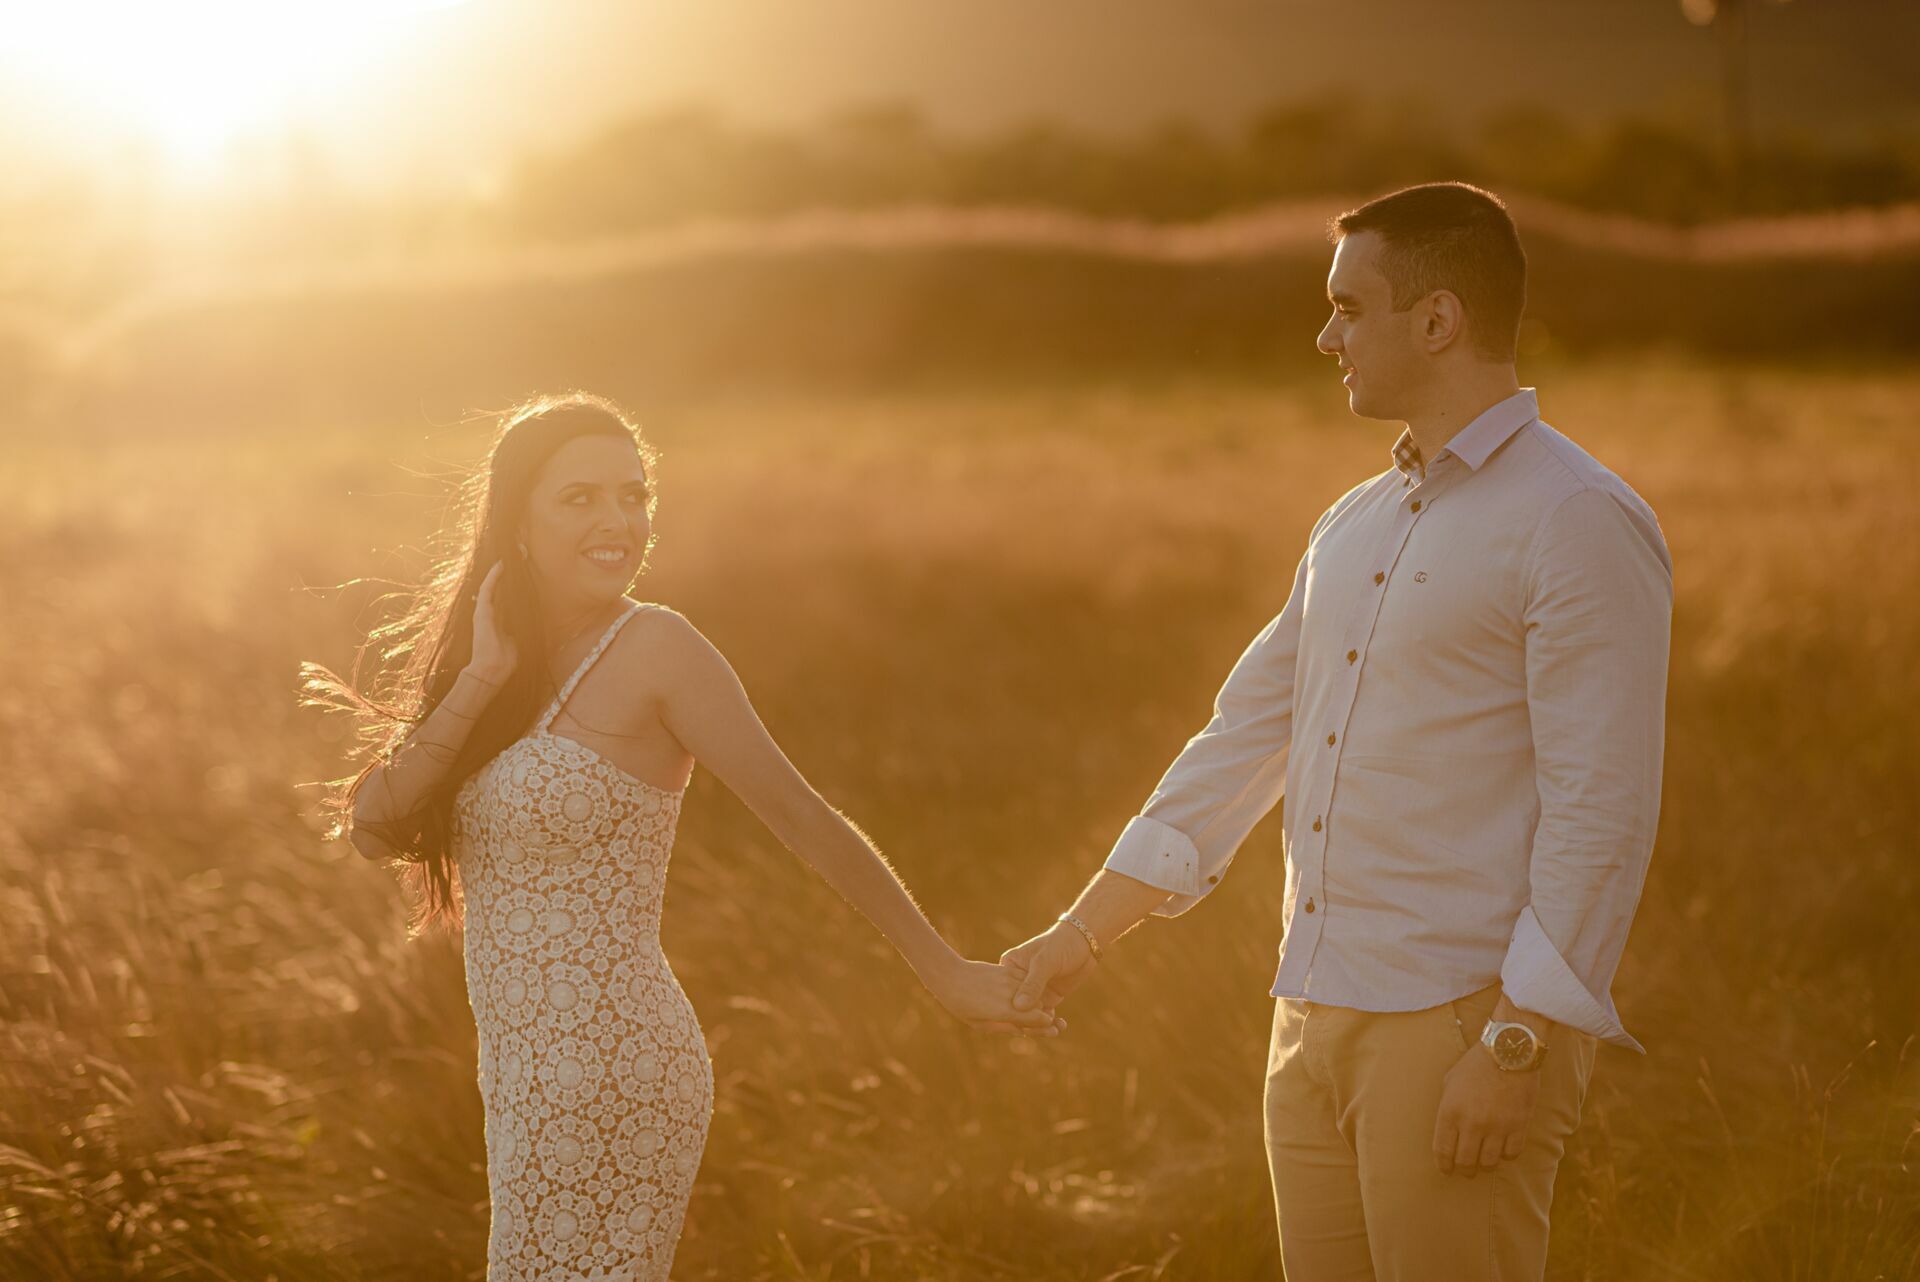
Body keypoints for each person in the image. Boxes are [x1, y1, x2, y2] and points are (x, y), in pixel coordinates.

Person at [998, 183, 1672, 1280]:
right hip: (1308, 1019)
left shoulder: (1577, 519)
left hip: (1459, 1030)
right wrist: (1081, 935)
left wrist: (1515, 1044)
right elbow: (1242, 739)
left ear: (1438, 320)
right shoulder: (1351, 524)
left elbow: (1603, 810)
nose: (1326, 337)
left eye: (1349, 309)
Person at [302, 391, 1060, 1282]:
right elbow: (373, 826)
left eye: (633, 496)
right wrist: (481, 677)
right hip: (523, 1078)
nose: (617, 521)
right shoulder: (498, 661)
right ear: (518, 526)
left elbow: (805, 817)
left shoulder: (659, 648)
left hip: (620, 1071)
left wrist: (947, 972)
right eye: (580, 498)